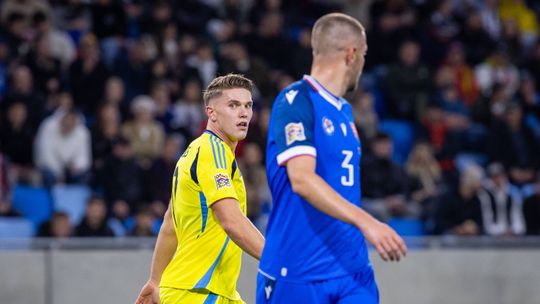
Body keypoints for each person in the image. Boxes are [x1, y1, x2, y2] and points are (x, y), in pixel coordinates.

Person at [258, 13, 407, 304]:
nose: (363, 64)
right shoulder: (295, 100)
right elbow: (301, 179)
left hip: (352, 271)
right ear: (352, 54)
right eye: (364, 55)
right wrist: (368, 223)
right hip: (299, 271)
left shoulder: (345, 112)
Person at [135, 74, 265, 304]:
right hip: (197, 292)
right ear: (211, 112)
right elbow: (231, 221)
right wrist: (279, 260)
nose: (244, 112)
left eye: (248, 105)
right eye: (233, 105)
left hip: (213, 292)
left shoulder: (201, 152)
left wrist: (155, 281)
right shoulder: (211, 152)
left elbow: (170, 224)